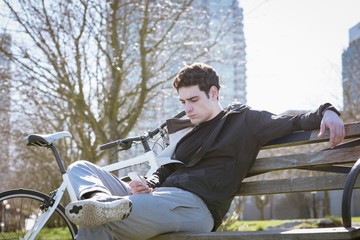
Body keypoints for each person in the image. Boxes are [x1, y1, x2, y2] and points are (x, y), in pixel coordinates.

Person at [65, 62, 345, 239]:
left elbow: (292, 120)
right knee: (80, 167)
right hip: (156, 199)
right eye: (183, 101)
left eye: (193, 100)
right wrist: (147, 184)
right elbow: (167, 169)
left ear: (213, 93)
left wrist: (328, 111)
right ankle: (98, 202)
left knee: (101, 224)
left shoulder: (244, 121)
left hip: (195, 208)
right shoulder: (188, 131)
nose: (187, 108)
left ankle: (105, 209)